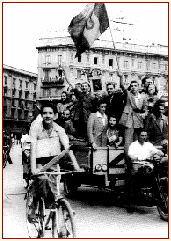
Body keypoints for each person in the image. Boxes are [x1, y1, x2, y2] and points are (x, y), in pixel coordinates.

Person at [28, 101, 81, 222]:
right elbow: (33, 148)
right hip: (38, 162)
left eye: (50, 113)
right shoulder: (35, 127)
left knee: (55, 190)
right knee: (42, 181)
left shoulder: (59, 129)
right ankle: (33, 208)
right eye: (45, 113)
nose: (47, 115)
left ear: (55, 115)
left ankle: (59, 216)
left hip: (53, 162)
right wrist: (33, 169)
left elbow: (67, 149)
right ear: (41, 115)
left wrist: (76, 166)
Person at [126, 130, 164, 212]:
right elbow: (130, 154)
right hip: (136, 164)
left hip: (147, 164)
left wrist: (161, 153)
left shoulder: (148, 145)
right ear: (138, 136)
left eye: (145, 135)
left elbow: (155, 150)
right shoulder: (133, 145)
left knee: (154, 175)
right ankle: (130, 202)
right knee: (134, 177)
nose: (144, 137)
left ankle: (158, 196)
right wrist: (141, 158)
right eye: (142, 135)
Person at [119, 80, 148, 157]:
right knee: (128, 142)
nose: (133, 87)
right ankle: (127, 162)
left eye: (135, 85)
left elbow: (145, 109)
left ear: (138, 87)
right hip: (129, 120)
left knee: (136, 142)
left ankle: (135, 161)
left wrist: (144, 114)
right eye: (132, 86)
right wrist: (121, 77)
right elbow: (122, 87)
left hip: (138, 121)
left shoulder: (143, 97)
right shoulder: (128, 95)